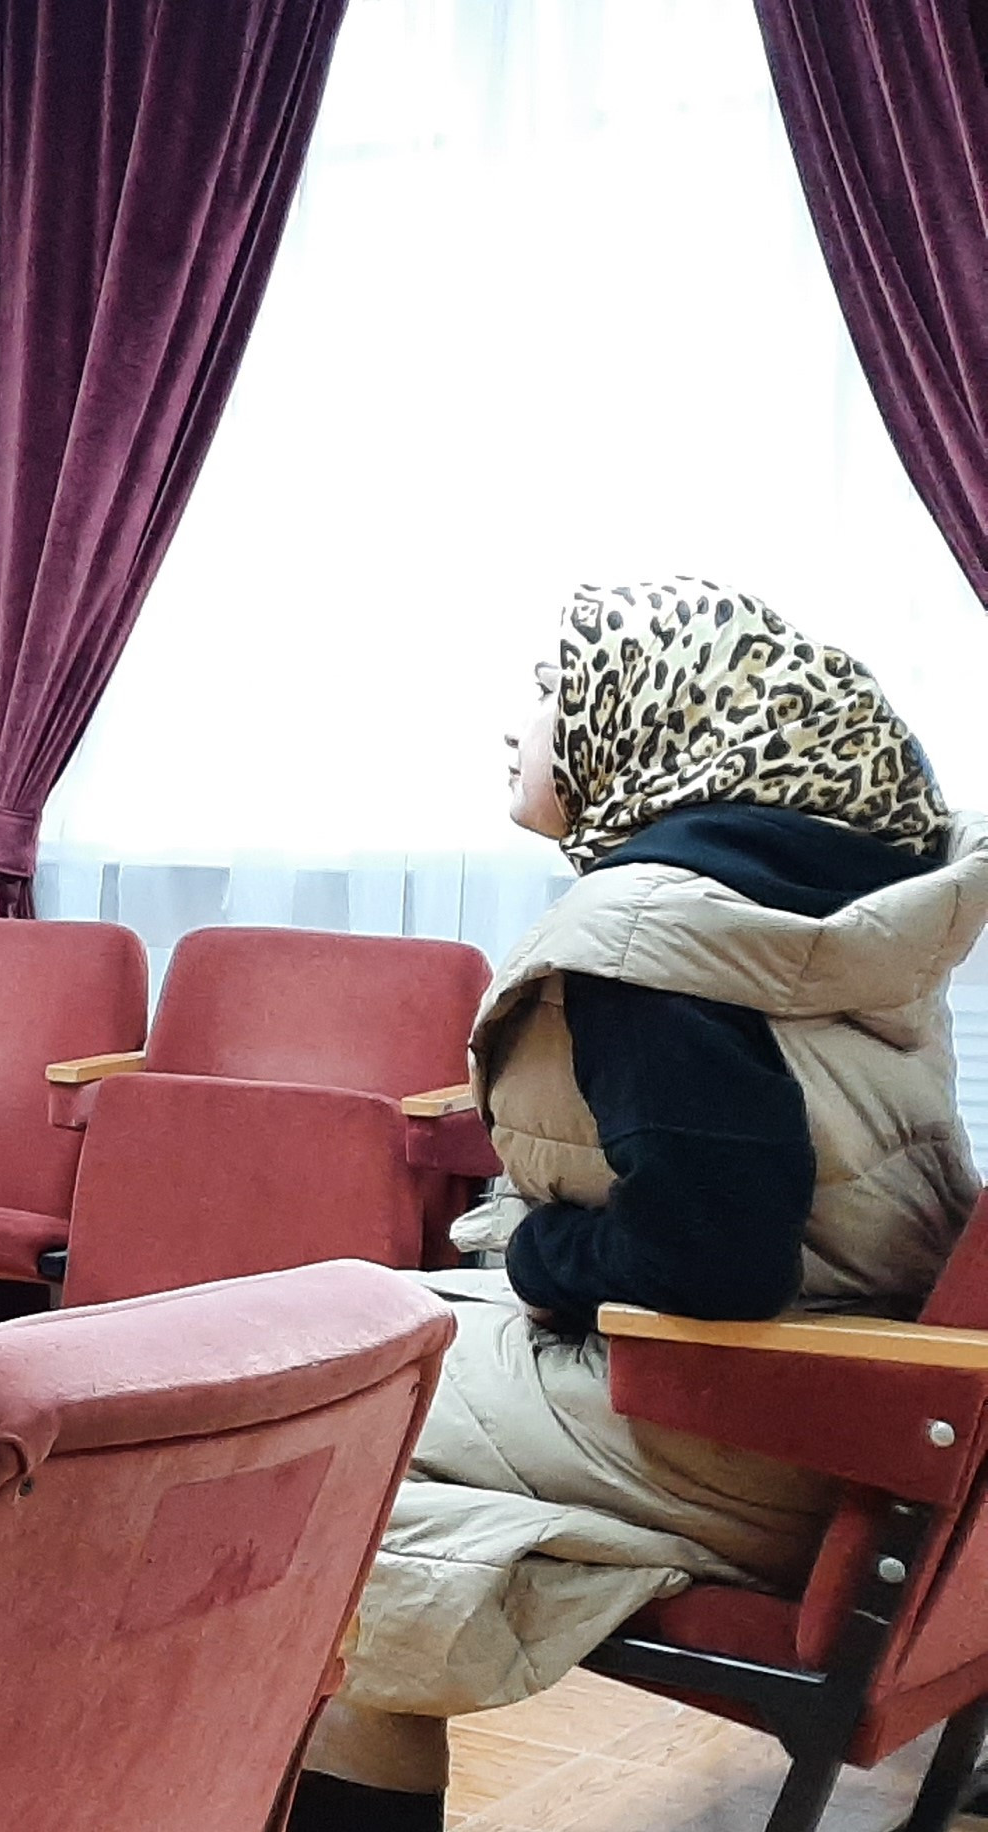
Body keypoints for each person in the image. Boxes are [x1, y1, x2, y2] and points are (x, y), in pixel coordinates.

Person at [291, 580, 988, 1831]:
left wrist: (535, 1256)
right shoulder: (826, 914)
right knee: (355, 1347)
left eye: (551, 692)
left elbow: (711, 1259)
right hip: (879, 1419)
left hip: (761, 1417)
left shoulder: (648, 940)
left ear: (647, 722)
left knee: (313, 1422)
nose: (518, 725)